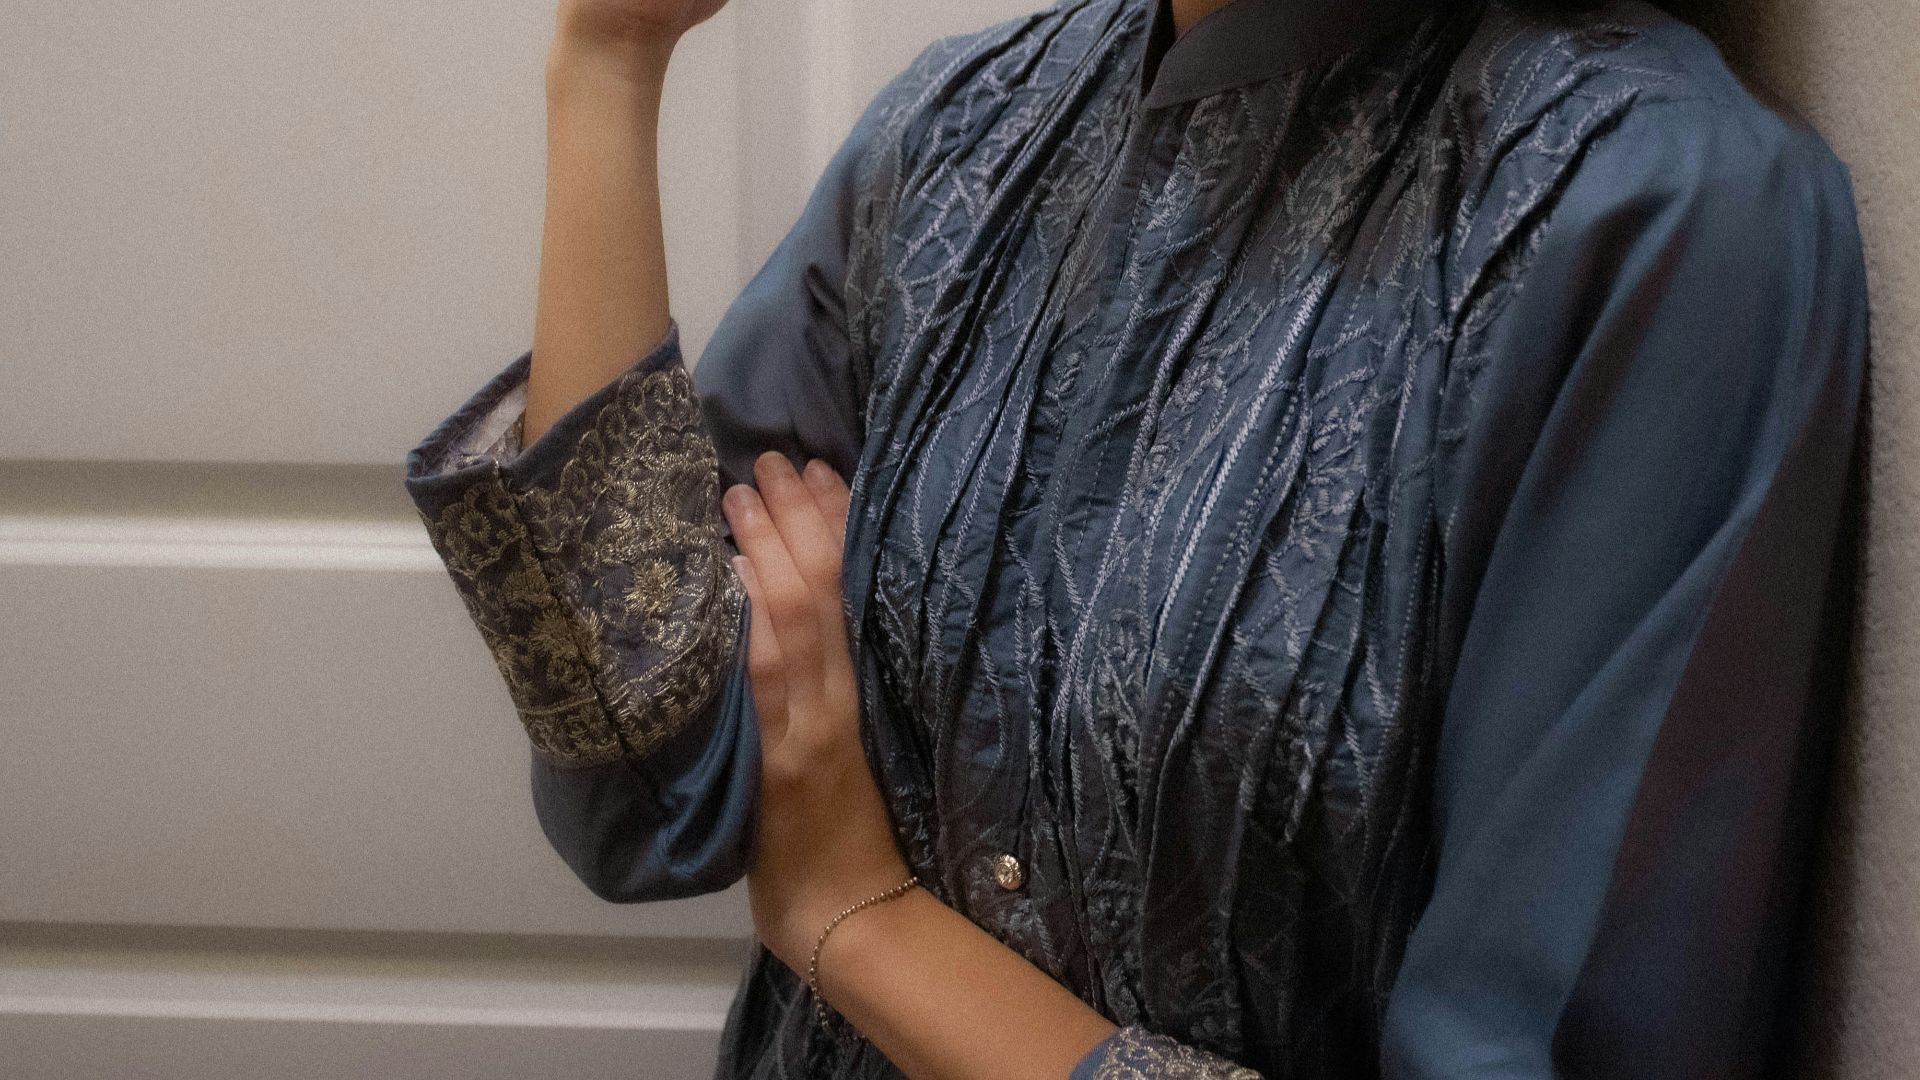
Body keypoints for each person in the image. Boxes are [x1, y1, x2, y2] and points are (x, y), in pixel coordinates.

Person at [401, 0, 1872, 1075]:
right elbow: (644, 788)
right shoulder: (957, 134)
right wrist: (609, 61)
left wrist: (864, 922)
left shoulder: (1646, 212)